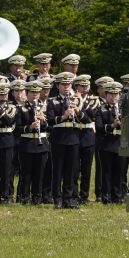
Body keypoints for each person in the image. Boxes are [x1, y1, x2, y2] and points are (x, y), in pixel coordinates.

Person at [47, 72, 83, 208]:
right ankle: (57, 199)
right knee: (57, 170)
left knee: (71, 170)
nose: (67, 87)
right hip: (59, 139)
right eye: (63, 84)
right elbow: (50, 120)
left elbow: (86, 119)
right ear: (58, 86)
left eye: (68, 84)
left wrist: (78, 112)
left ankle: (69, 198)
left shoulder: (76, 100)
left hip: (73, 138)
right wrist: (63, 116)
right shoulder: (52, 101)